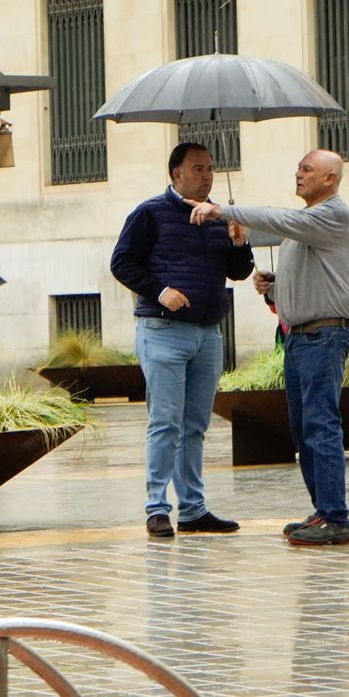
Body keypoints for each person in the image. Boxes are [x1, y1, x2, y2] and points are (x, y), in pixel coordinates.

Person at [188, 149, 349, 546]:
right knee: (304, 430)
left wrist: (224, 211)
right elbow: (305, 284)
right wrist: (274, 288)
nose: (298, 174)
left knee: (322, 427)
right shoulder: (305, 229)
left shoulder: (332, 215)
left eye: (307, 169)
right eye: (298, 167)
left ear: (330, 179)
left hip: (323, 338)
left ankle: (337, 518)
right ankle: (323, 512)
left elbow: (280, 218)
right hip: (300, 337)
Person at [111, 142, 254, 537]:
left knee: (195, 425)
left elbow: (239, 272)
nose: (207, 175)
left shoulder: (218, 217)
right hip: (163, 331)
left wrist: (240, 241)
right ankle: (157, 508)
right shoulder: (150, 213)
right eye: (198, 168)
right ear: (177, 174)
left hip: (208, 335)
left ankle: (193, 509)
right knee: (165, 423)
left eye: (210, 168)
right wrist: (159, 291)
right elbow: (121, 262)